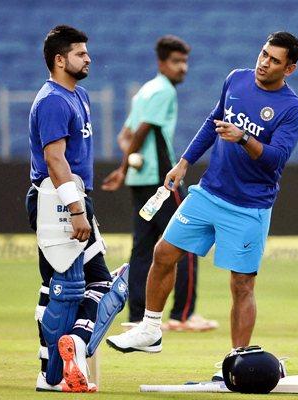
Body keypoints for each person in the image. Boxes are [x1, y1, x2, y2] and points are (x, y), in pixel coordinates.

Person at [107, 32, 298, 375]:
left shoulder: (293, 109)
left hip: (249, 205)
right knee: (163, 253)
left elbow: (275, 159)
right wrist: (184, 161)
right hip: (209, 192)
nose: (264, 63)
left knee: (242, 284)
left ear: (289, 68)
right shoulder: (236, 79)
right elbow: (211, 123)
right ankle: (151, 330)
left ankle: (236, 362)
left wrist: (244, 137)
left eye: (274, 60)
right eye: (263, 54)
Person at [26, 25, 128, 393]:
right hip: (58, 199)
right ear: (59, 59)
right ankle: (74, 348)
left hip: (72, 197)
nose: (88, 58)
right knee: (97, 284)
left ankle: (51, 373)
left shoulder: (79, 95)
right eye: (80, 54)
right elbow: (55, 160)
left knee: (56, 286)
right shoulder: (53, 100)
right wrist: (76, 209)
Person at [101, 35, 217, 332]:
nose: (183, 68)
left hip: (142, 180)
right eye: (177, 62)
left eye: (185, 62)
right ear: (162, 63)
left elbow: (124, 135)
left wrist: (125, 166)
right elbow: (141, 131)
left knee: (142, 248)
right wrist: (126, 167)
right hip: (160, 180)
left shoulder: (144, 91)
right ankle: (183, 314)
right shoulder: (164, 91)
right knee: (187, 240)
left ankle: (136, 316)